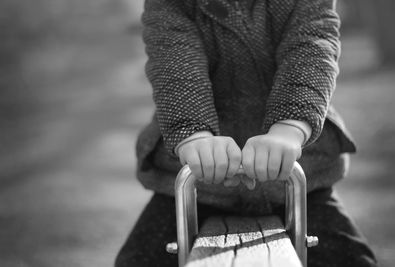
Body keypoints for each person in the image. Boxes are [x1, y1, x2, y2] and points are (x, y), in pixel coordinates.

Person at [116, 0, 378, 266]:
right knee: (138, 260)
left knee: (352, 260)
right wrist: (193, 135)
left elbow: (311, 48)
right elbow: (176, 66)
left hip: (299, 174)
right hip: (197, 184)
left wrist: (289, 127)